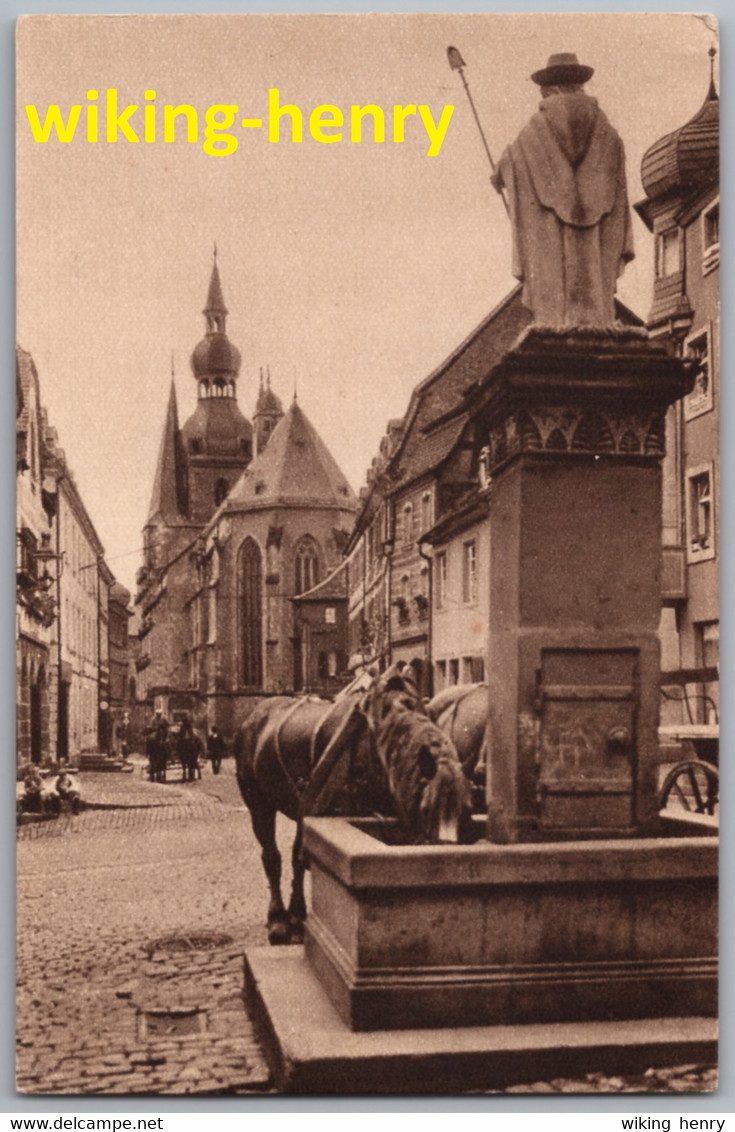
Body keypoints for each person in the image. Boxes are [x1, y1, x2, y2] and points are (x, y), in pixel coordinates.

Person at [491, 53, 634, 328]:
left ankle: (555, 319)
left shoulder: (535, 130)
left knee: (552, 266)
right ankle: (596, 318)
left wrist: (501, 172)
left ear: (550, 88)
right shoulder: (608, 132)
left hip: (551, 231)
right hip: (597, 231)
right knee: (594, 268)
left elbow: (514, 161)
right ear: (579, 84)